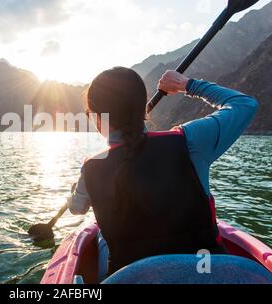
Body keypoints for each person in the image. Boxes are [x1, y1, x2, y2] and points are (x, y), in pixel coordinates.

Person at [68, 67, 259, 276]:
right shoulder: (189, 140)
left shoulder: (91, 168)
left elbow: (77, 209)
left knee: (100, 235)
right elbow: (245, 104)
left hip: (132, 279)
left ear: (97, 118)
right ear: (144, 109)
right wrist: (187, 85)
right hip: (207, 274)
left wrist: (77, 191)